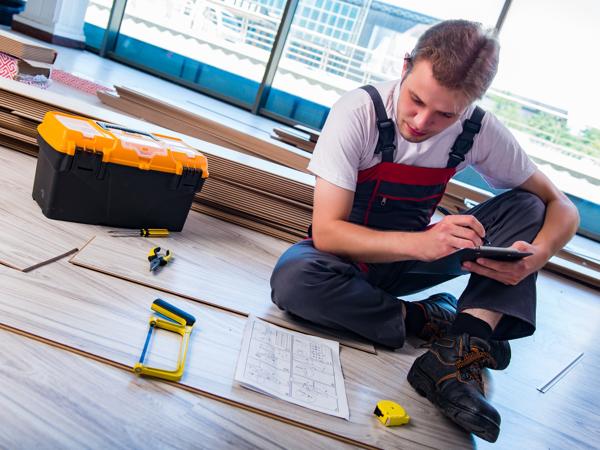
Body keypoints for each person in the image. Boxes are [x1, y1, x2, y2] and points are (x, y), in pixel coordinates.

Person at [269, 20, 579, 442]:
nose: (421, 121)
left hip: (419, 260)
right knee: (294, 279)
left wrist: (536, 257)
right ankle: (427, 319)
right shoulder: (359, 113)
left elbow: (563, 207)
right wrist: (423, 242)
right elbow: (327, 233)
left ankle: (455, 358)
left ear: (470, 104)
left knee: (528, 205)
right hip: (350, 259)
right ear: (405, 66)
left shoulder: (478, 130)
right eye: (416, 100)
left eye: (445, 114)